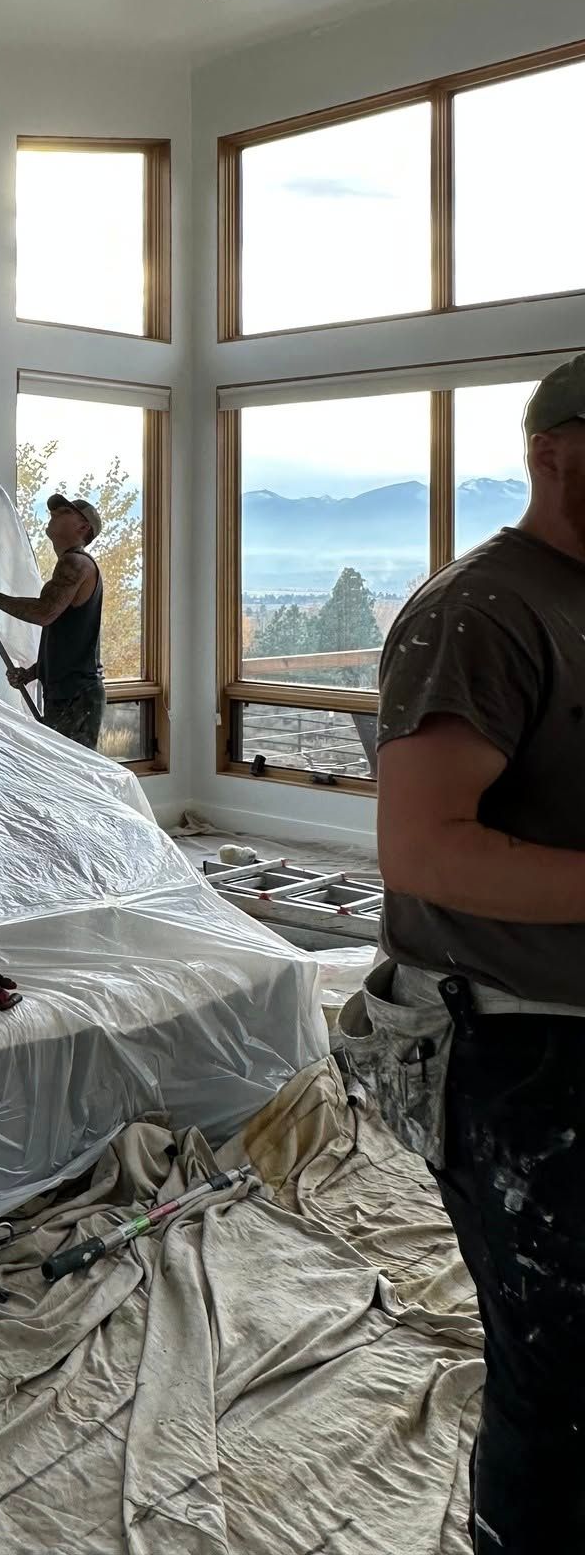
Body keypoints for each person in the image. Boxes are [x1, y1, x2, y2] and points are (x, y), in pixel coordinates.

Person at [372, 352, 585, 1552]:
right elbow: (427, 849)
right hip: (520, 1054)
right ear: (554, 452)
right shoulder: (483, 610)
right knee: (559, 1371)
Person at [0, 493, 104, 748]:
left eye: (64, 512)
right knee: (60, 774)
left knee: (67, 778)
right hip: (69, 693)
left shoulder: (76, 563)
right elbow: (69, 640)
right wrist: (31, 673)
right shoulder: (71, 564)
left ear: (83, 528)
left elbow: (44, 613)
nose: (54, 514)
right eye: (54, 511)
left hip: (76, 696)